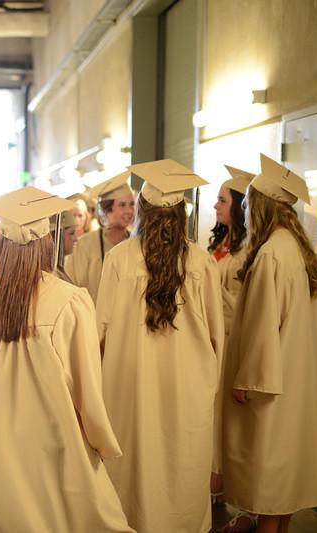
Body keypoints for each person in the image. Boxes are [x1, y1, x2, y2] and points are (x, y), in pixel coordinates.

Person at [0, 186, 132, 533]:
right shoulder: (69, 302)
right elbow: (87, 390)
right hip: (56, 448)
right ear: (45, 241)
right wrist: (101, 440)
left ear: (1, 243)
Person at [95, 159, 224, 532]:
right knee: (181, 468)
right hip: (187, 388)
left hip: (130, 389)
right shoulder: (201, 262)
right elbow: (218, 335)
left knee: (134, 475)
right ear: (182, 213)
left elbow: (99, 330)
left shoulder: (119, 258)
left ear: (143, 211)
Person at [222, 154, 317, 533]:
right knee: (285, 477)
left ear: (262, 208)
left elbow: (262, 326)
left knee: (268, 476)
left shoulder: (271, 253)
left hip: (271, 381)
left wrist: (245, 379)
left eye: (249, 204)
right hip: (293, 376)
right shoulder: (296, 249)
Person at [206, 164, 253, 527]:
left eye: (222, 200)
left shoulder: (250, 248)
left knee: (232, 420)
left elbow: (244, 305)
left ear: (238, 204)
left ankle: (239, 495)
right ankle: (215, 484)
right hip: (212, 342)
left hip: (232, 342)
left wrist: (211, 295)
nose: (216, 206)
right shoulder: (218, 242)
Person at [64, 171, 134, 301]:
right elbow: (73, 287)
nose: (129, 211)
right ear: (107, 209)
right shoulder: (85, 245)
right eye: (122, 205)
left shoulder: (135, 243)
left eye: (132, 204)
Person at [50, 209, 78, 282]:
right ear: (57, 236)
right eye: (72, 233)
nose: (76, 239)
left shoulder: (60, 268)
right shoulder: (51, 273)